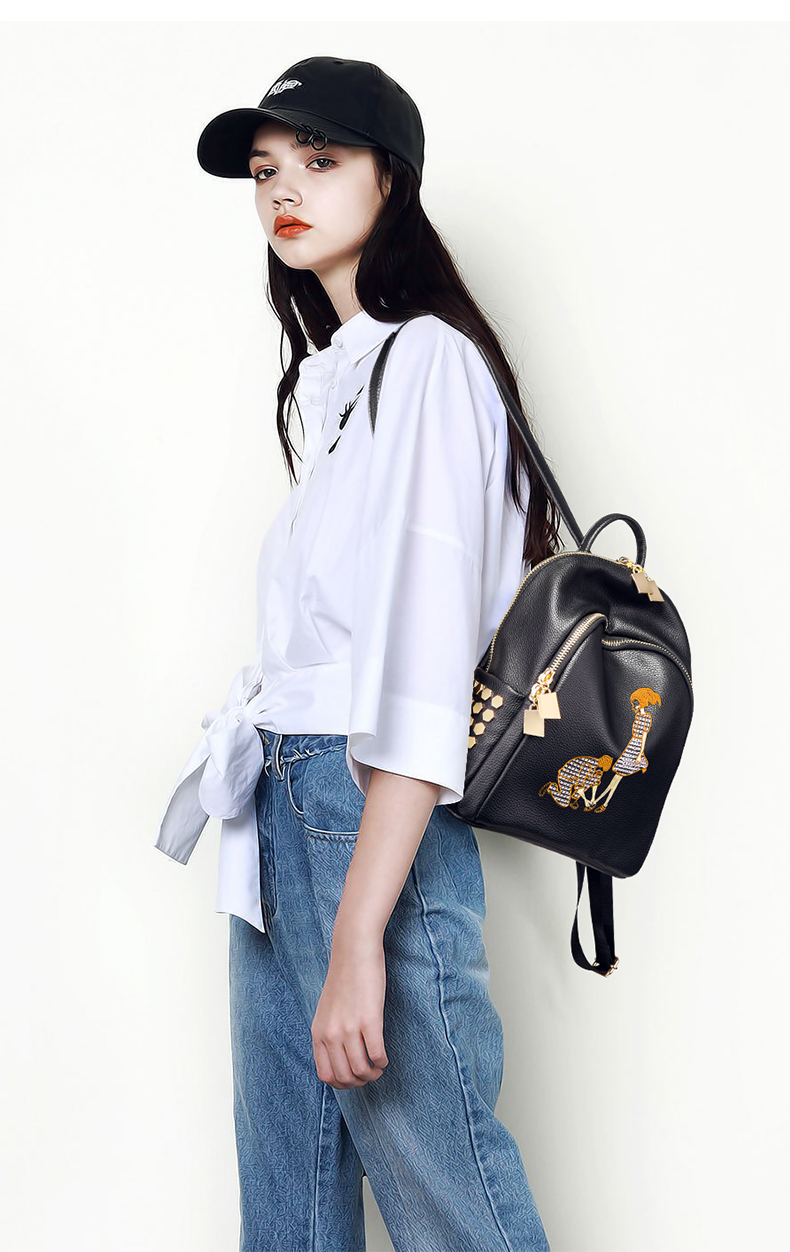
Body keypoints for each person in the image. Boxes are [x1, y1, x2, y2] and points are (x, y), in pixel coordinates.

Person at [155, 55, 558, 1252]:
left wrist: (355, 939)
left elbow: (424, 675)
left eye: (320, 161)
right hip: (279, 808)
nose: (283, 189)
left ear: (393, 180)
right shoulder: (340, 378)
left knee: (452, 1203)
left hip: (363, 808)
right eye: (266, 170)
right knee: (287, 1214)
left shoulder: (429, 362)